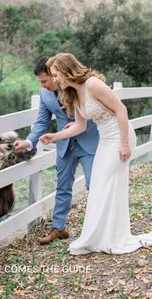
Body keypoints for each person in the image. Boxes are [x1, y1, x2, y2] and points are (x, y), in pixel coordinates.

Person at [40, 53, 152, 254]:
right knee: (100, 185)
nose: (55, 80)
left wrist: (124, 144)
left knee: (107, 184)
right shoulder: (73, 94)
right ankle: (99, 237)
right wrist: (55, 136)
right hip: (105, 139)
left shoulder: (92, 84)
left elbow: (121, 110)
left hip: (120, 136)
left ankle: (113, 237)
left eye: (56, 75)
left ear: (67, 71)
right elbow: (80, 127)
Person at [13, 57, 99, 244]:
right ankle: (59, 228)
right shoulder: (44, 94)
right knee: (62, 187)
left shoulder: (76, 86)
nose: (43, 86)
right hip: (64, 143)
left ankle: (96, 229)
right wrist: (28, 143)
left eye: (45, 80)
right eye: (40, 82)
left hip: (89, 141)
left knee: (94, 185)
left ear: (55, 74)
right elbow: (42, 121)